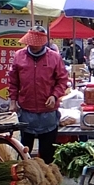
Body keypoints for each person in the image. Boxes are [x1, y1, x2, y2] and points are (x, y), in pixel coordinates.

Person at [7, 28, 68, 164]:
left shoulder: (54, 57)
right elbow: (13, 81)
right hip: (26, 110)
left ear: (43, 42)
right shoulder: (19, 56)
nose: (32, 45)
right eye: (30, 42)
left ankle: (47, 180)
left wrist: (54, 96)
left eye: (36, 43)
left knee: (47, 152)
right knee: (24, 151)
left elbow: (62, 80)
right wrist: (13, 101)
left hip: (48, 112)